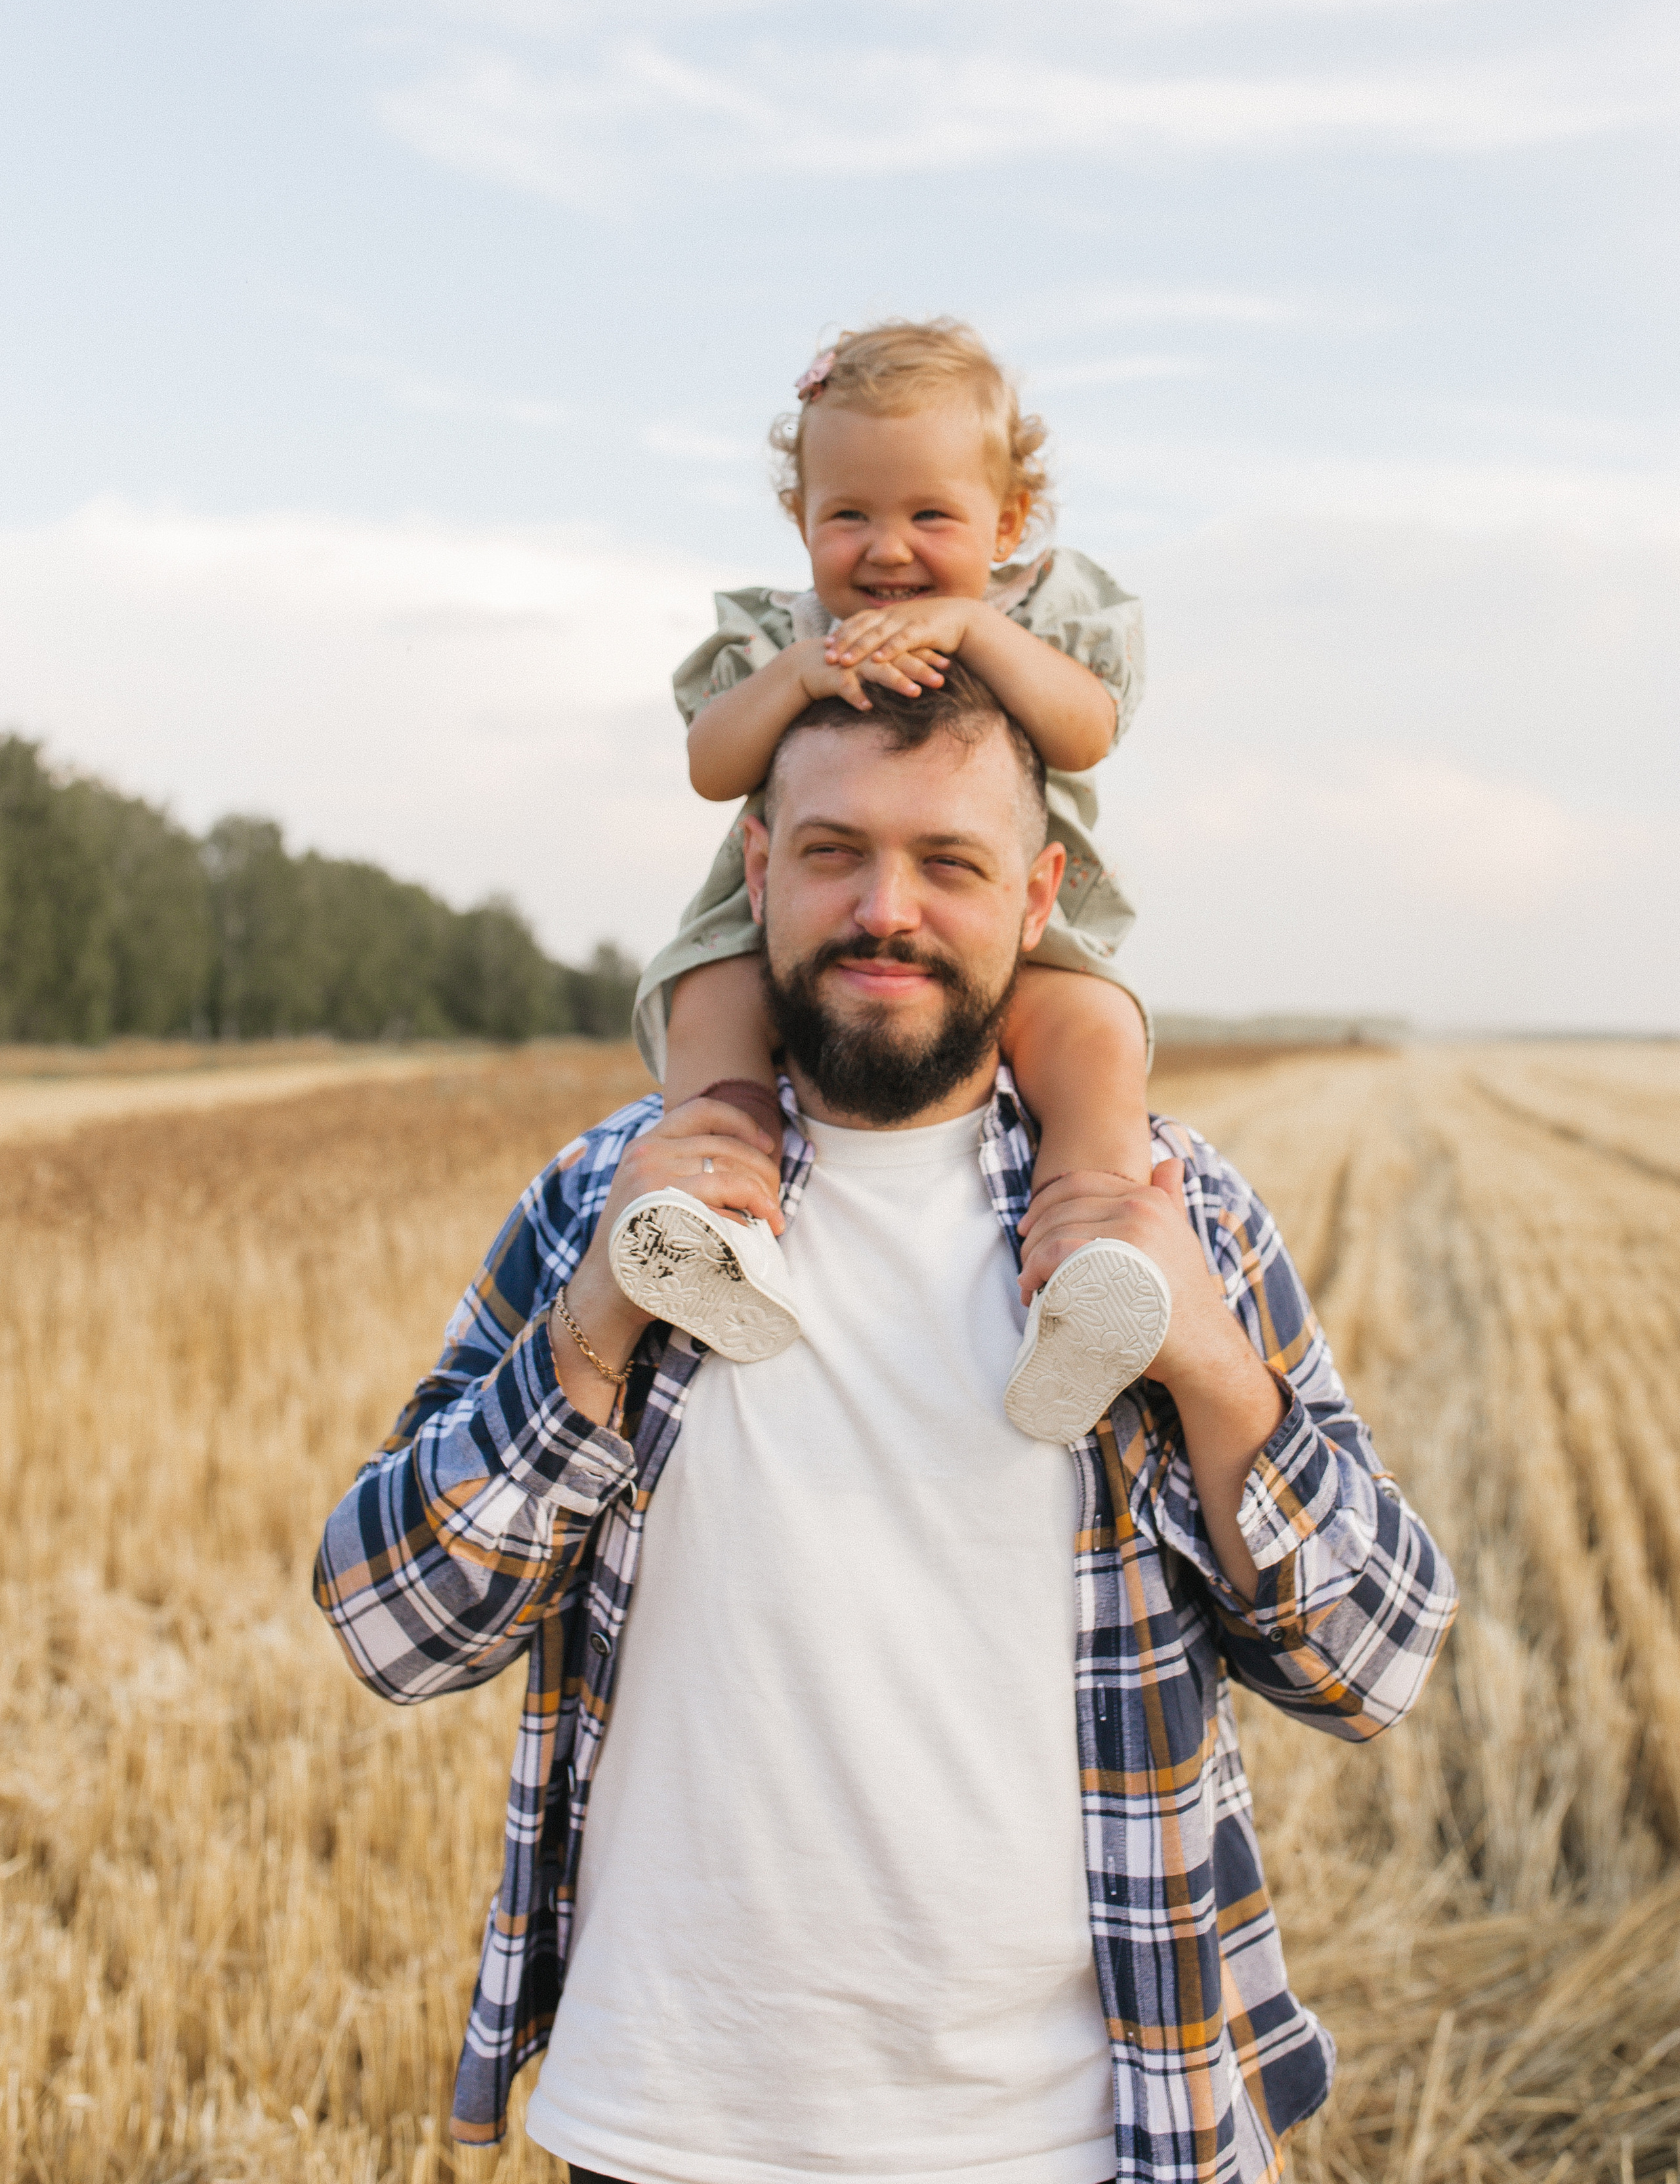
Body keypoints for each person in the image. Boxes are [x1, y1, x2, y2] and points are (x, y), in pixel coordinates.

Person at [314, 662, 1458, 2183]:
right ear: (758, 868)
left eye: (949, 863)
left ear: (1040, 892)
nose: (884, 909)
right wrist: (599, 1307)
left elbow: (1369, 1666)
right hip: (666, 2134)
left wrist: (1211, 1371)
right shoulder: (614, 1200)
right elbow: (397, 1625)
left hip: (1077, 2138)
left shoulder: (1169, 1221)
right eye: (836, 851)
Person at [617, 319, 1169, 1444]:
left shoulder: (1035, 621)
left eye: (931, 516)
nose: (888, 550)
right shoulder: (783, 636)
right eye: (849, 516)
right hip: (775, 927)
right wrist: (796, 677)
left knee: (1099, 1034)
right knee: (709, 1003)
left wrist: (973, 630)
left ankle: (1089, 1258)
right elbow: (711, 762)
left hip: (1015, 933)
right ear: (801, 520)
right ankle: (714, 1220)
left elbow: (1088, 730)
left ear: (1008, 523)